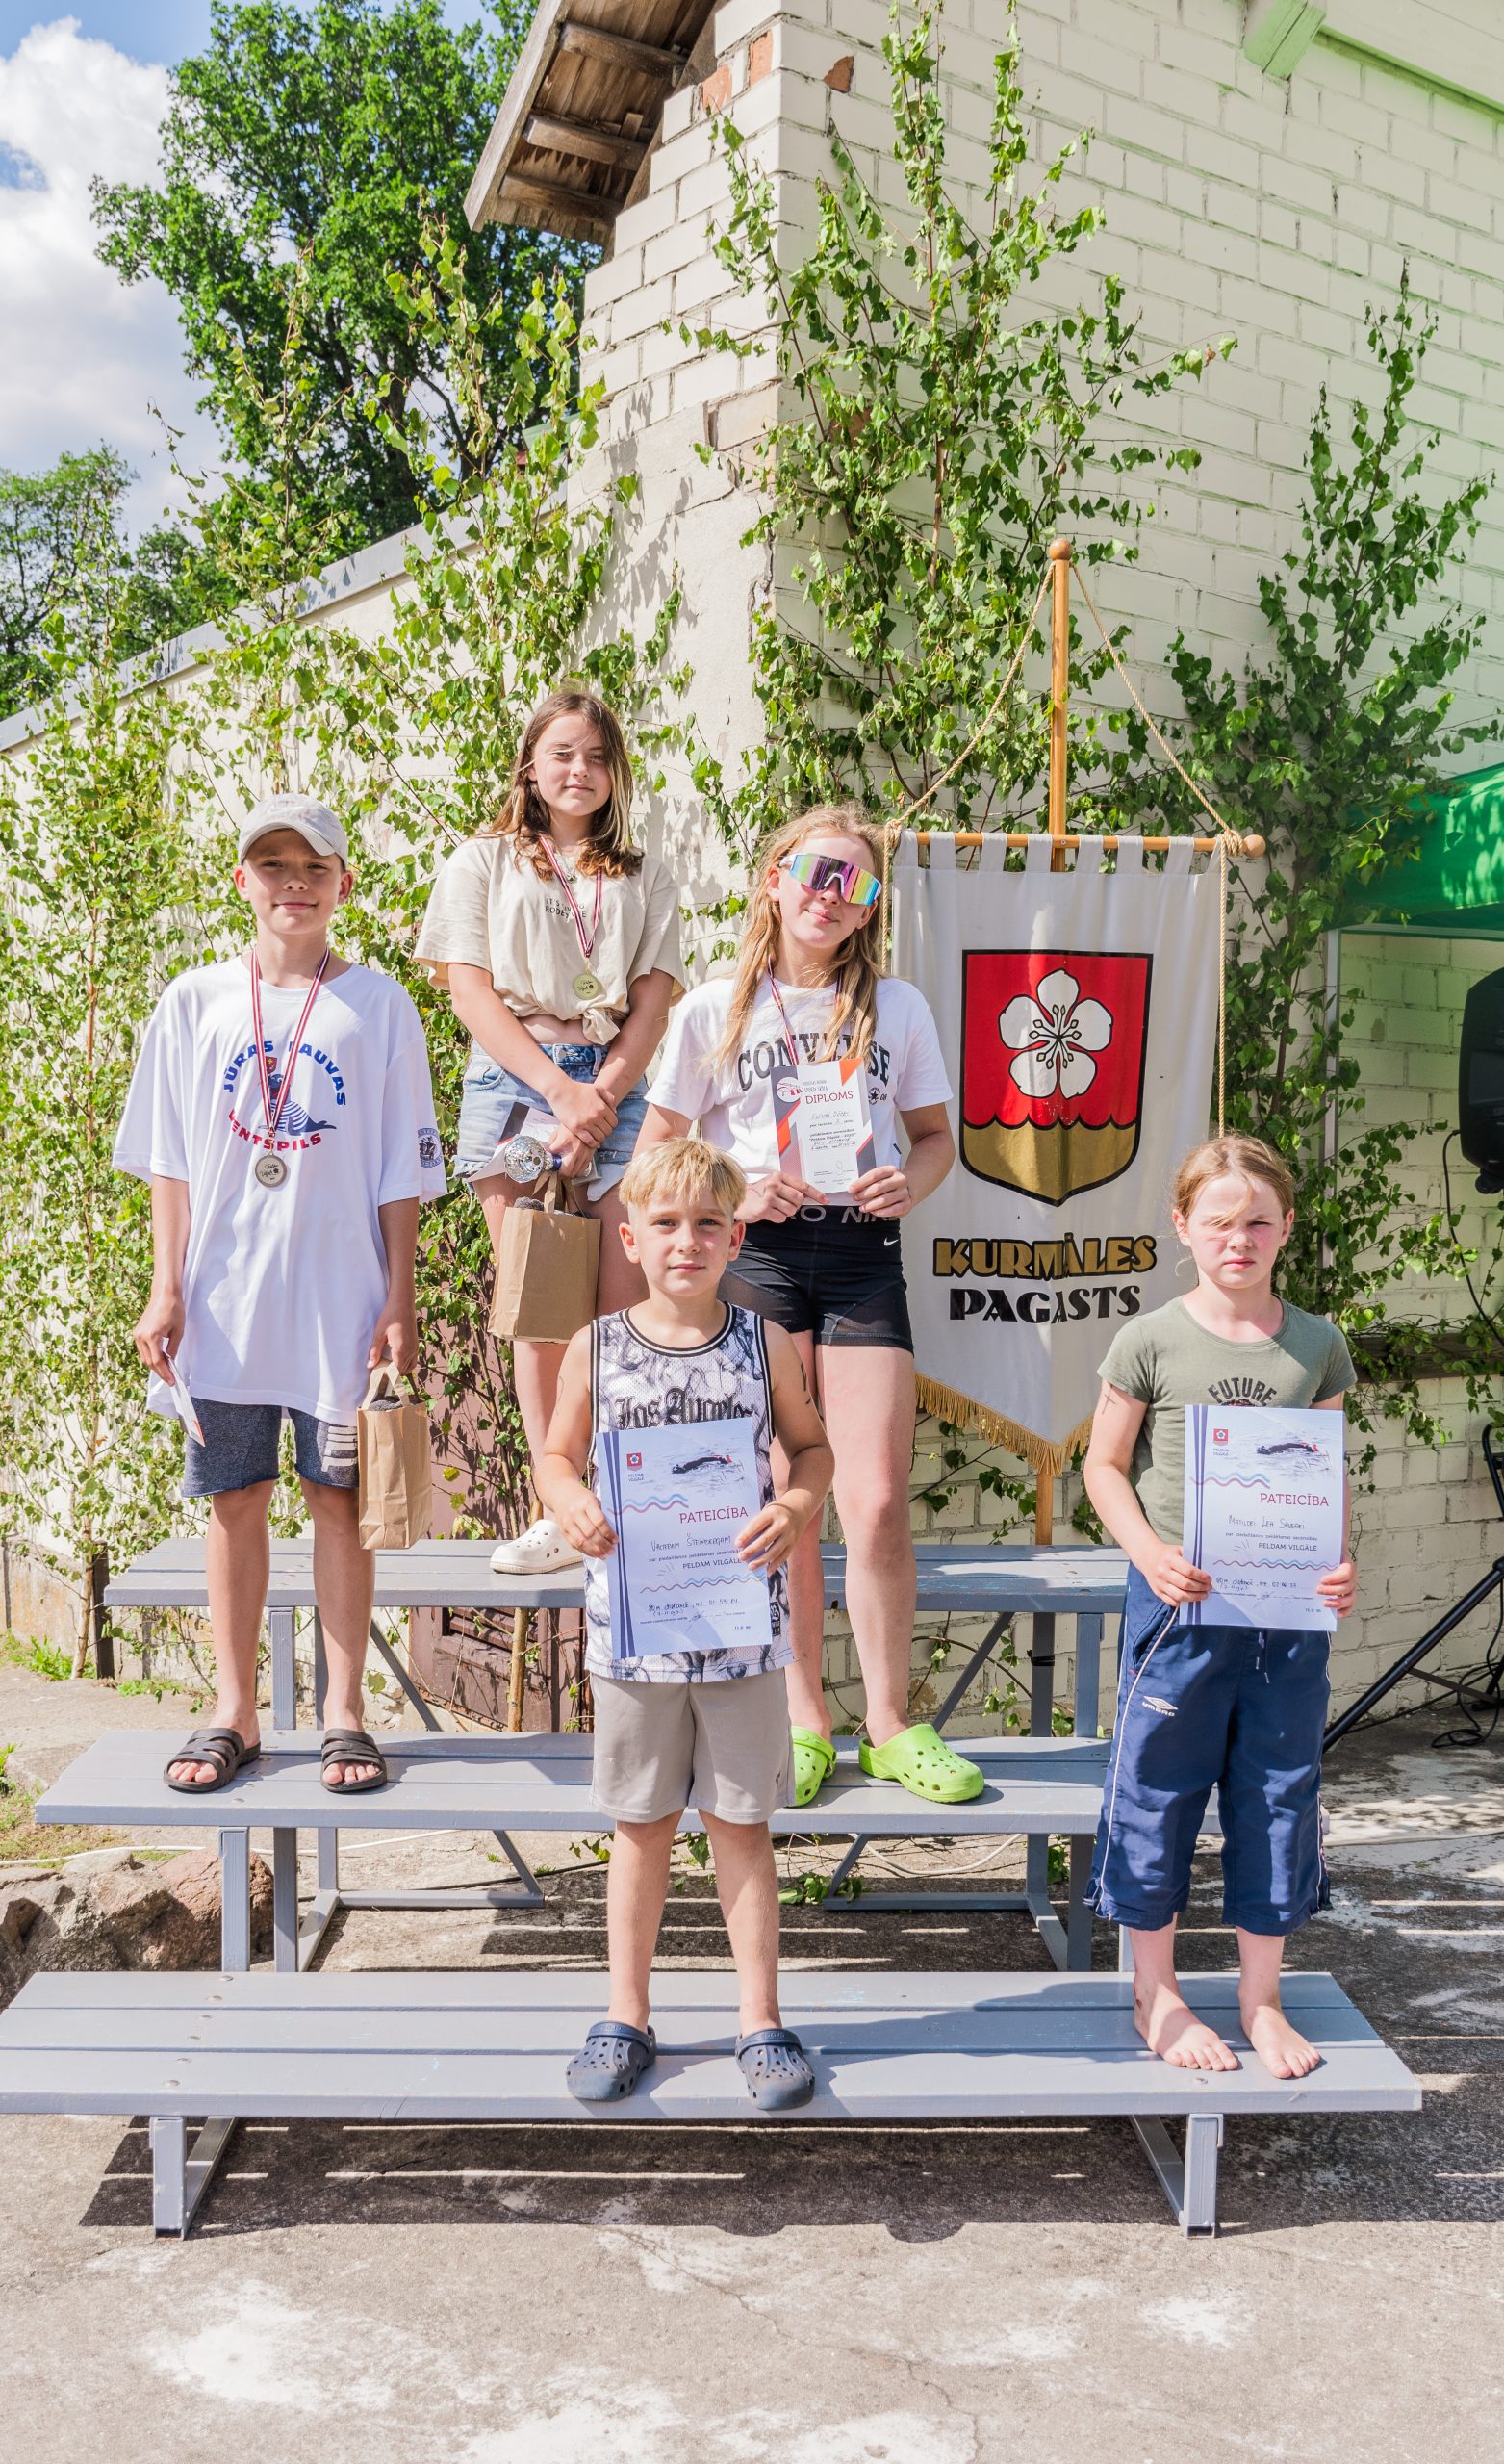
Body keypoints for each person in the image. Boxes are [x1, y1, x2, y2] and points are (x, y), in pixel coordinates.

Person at [635, 805, 981, 1809]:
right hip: (764, 1257)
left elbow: (934, 1139)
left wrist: (911, 1182)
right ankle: (803, 1719)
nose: (833, 895)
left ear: (870, 906)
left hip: (863, 1251)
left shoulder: (897, 1008)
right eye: (818, 873)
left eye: (855, 882)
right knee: (790, 1494)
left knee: (874, 1498)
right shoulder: (713, 1009)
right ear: (775, 880)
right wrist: (737, 1189)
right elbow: (656, 1152)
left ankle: (891, 1724)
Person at [117, 791, 446, 1793]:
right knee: (234, 1500)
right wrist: (165, 1287)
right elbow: (169, 1160)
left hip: (340, 1304)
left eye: (314, 867)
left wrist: (400, 1296)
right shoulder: (194, 1000)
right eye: (273, 866)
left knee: (337, 1500)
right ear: (242, 881)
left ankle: (345, 1712)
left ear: (344, 882)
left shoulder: (379, 1006)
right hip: (224, 1306)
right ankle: (235, 1709)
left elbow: (400, 1170)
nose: (294, 884)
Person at [535, 1137, 834, 2109]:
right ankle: (625, 2016)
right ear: (629, 1238)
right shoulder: (596, 1347)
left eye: (709, 1223)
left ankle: (760, 2022)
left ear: (736, 1237)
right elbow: (555, 1455)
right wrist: (568, 1499)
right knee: (641, 1825)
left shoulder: (763, 1344)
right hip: (635, 1636)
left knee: (741, 1825)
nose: (687, 1241)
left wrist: (795, 1506)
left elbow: (813, 1449)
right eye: (664, 1223)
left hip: (742, 1633)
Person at [1081, 1133, 1358, 2080]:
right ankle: (1154, 1991)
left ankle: (1260, 1997)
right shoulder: (1149, 1339)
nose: (1238, 1239)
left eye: (1257, 1222)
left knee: (1278, 1792)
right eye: (1219, 1221)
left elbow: (1326, 1476)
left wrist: (1338, 1562)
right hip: (1178, 1612)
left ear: (1286, 1227)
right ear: (1182, 1226)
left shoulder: (1317, 1345)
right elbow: (1103, 1465)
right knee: (1157, 1789)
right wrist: (1149, 1554)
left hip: (1284, 1618)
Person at [414, 688, 684, 1574]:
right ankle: (553, 1509)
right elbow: (469, 992)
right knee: (539, 1309)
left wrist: (598, 1096)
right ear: (530, 764)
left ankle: (619, 1497)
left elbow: (652, 1003)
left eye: (598, 756)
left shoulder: (644, 875)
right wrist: (558, 1092)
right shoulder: (483, 861)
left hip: (616, 1090)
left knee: (620, 1310)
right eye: (563, 753)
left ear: (616, 773)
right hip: (516, 1084)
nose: (581, 771)